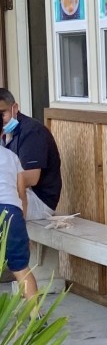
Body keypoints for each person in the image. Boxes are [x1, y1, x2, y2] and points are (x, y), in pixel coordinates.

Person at [0, 89, 62, 220]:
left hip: (39, 201)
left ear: (14, 108)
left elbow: (32, 178)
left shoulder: (32, 131)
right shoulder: (4, 132)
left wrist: (4, 182)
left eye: (2, 113)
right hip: (18, 193)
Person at [0, 143, 38, 297]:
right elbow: (21, 193)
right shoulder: (11, 156)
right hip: (12, 212)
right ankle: (36, 316)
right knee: (21, 268)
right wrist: (21, 223)